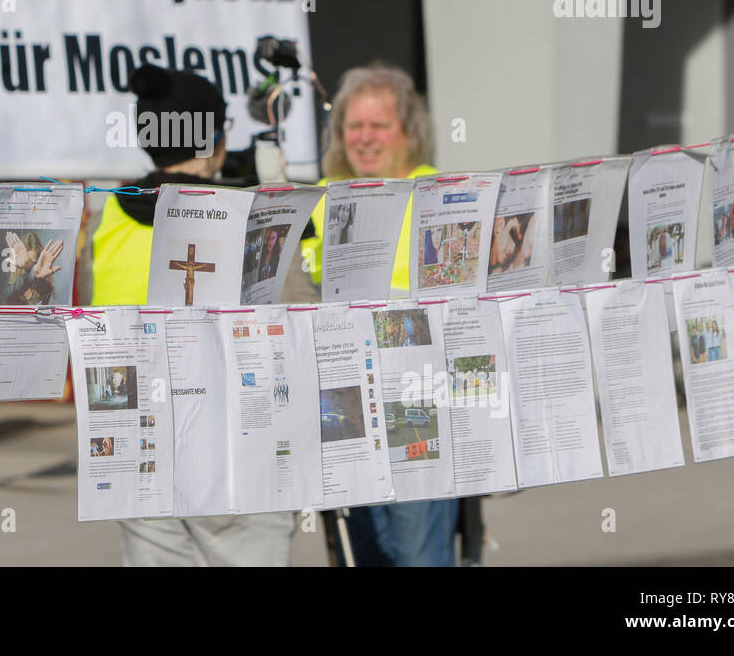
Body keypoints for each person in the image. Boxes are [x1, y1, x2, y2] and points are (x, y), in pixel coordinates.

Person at [87, 63, 297, 566]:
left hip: (128, 431)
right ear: (216, 142)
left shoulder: (110, 213)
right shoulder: (236, 211)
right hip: (223, 439)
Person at [297, 61, 462, 567]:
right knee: (359, 552)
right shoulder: (320, 199)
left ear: (408, 131)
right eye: (354, 126)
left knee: (416, 551)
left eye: (378, 125)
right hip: (341, 405)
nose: (364, 138)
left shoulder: (443, 194)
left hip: (417, 401)